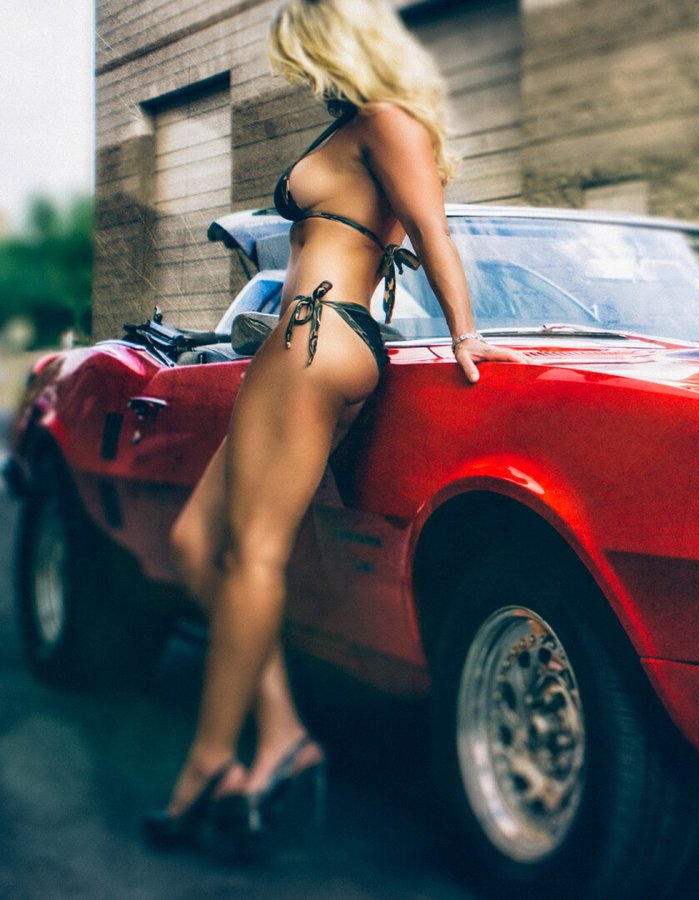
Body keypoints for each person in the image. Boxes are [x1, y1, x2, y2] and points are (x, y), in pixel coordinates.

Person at [143, 0, 522, 857]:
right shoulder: (370, 128)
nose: (297, 75)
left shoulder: (387, 122)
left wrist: (467, 336)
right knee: (202, 548)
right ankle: (278, 734)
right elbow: (416, 234)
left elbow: (433, 233)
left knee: (255, 558)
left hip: (310, 340)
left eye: (298, 57)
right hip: (329, 342)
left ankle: (208, 764)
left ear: (329, 44)